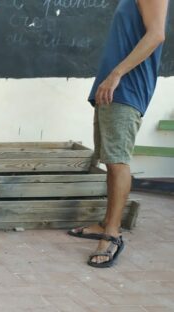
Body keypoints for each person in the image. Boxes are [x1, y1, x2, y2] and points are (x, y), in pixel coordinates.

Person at [68, 0, 167, 268]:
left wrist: (116, 74)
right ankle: (104, 224)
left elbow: (157, 34)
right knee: (110, 161)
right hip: (113, 90)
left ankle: (112, 234)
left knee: (117, 161)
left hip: (126, 89)